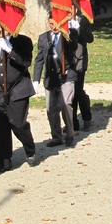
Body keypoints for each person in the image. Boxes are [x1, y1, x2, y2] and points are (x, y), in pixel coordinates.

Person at [0, 24, 37, 173]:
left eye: (5, 26)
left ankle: (30, 149)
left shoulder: (23, 41)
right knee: (0, 127)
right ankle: (4, 161)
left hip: (18, 90)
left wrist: (10, 51)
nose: (2, 29)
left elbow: (26, 62)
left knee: (18, 124)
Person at [33, 13, 80, 147]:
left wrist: (71, 33)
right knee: (51, 108)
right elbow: (39, 60)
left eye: (56, 23)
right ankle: (56, 136)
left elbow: (73, 47)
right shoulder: (43, 37)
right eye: (51, 24)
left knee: (66, 104)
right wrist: (35, 80)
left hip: (66, 76)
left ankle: (69, 134)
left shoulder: (68, 35)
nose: (54, 27)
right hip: (51, 77)